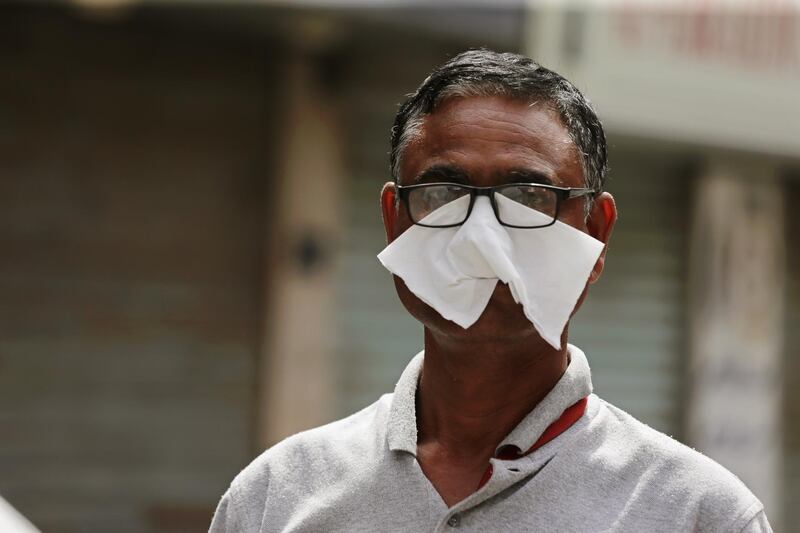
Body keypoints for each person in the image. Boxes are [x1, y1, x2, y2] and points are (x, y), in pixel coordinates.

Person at [209, 50, 772, 532]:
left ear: (596, 235)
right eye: (442, 193)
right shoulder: (274, 498)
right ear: (394, 221)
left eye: (527, 197)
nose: (481, 238)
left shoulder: (697, 514)